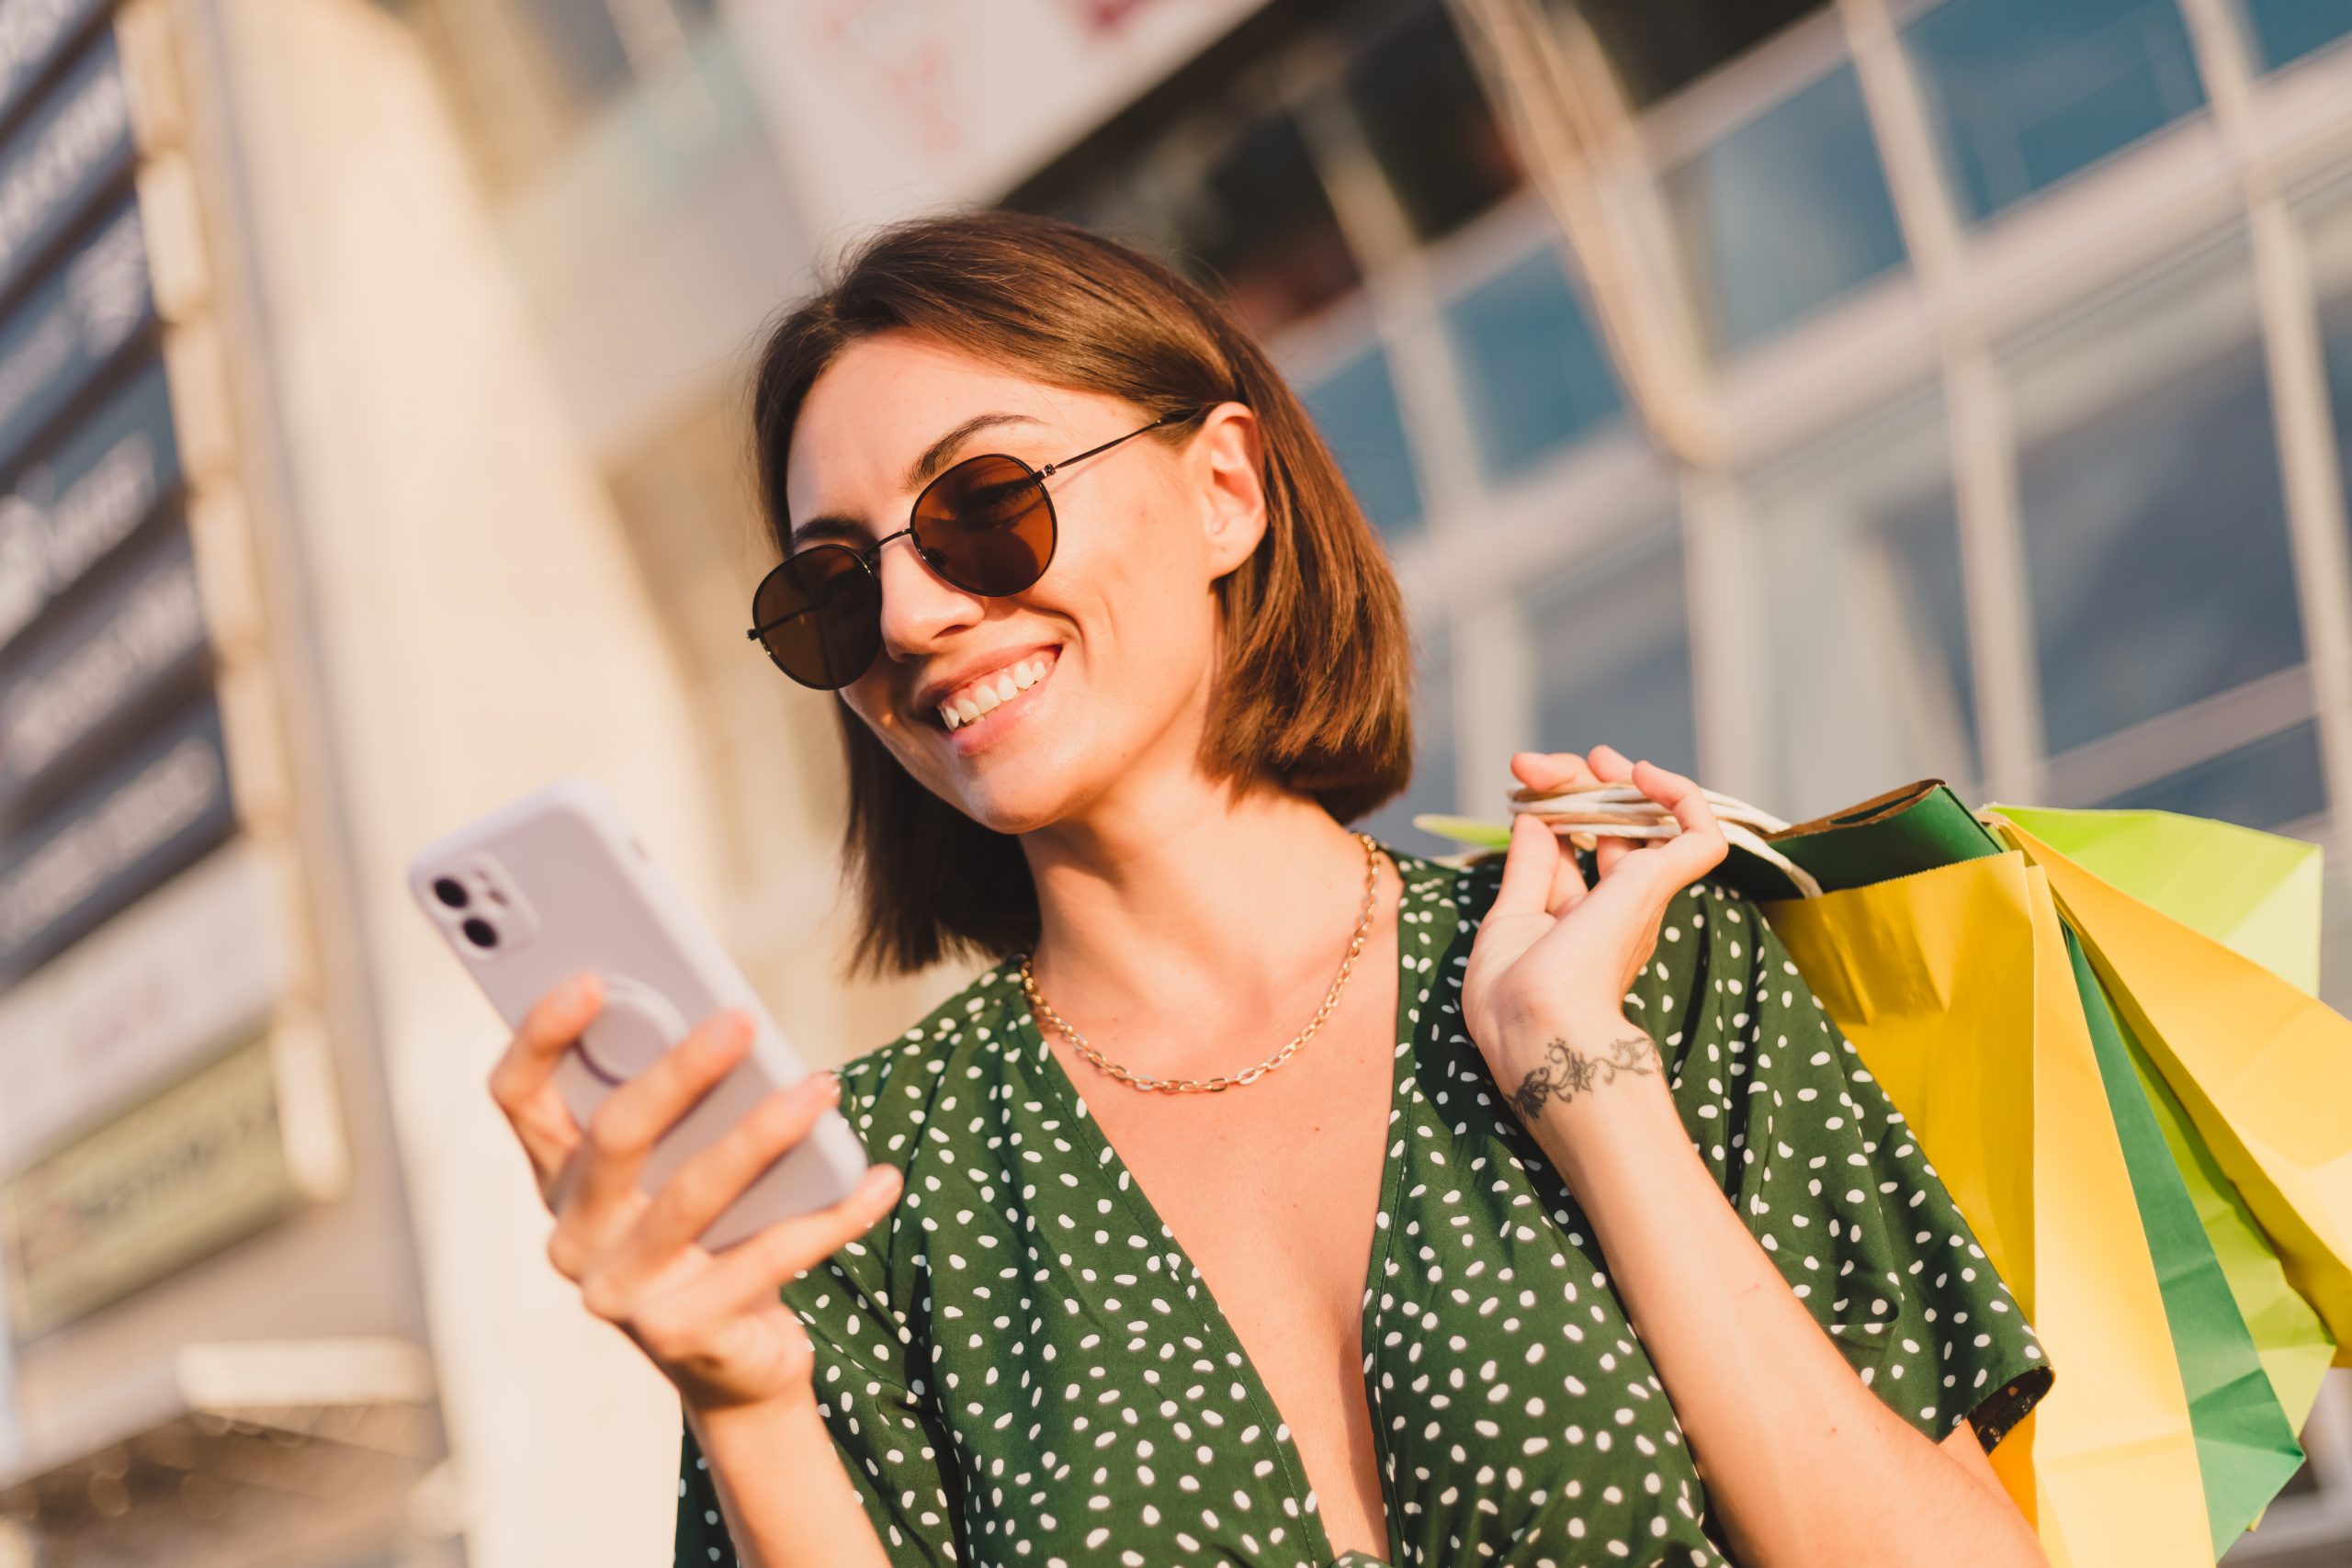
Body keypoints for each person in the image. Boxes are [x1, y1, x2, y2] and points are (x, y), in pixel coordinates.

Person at [487, 209, 2052, 1568]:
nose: (908, 612)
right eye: (832, 587)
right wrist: (750, 1408)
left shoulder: (1631, 961)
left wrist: (1589, 1083)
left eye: (980, 506)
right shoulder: (856, 1188)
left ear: (1225, 487)